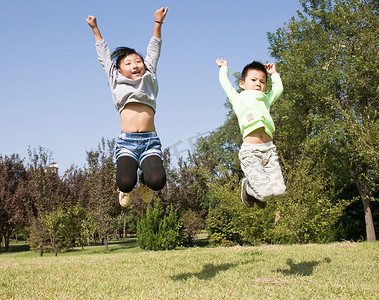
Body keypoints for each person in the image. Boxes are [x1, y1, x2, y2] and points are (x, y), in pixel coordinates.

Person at [86, 7, 168, 207]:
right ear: (119, 69)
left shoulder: (149, 78)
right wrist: (95, 29)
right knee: (124, 183)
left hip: (150, 141)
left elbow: (154, 49)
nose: (135, 65)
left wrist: (158, 23)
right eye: (128, 62)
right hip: (127, 142)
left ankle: (145, 182)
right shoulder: (116, 80)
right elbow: (104, 57)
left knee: (157, 182)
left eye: (138, 61)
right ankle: (128, 187)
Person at [216, 58, 286, 208]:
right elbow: (225, 83)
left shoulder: (265, 99)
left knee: (280, 192)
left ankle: (259, 195)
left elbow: (279, 89)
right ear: (242, 84)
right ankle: (247, 187)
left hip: (269, 150)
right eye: (253, 80)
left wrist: (274, 74)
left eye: (262, 81)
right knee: (266, 194)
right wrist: (224, 68)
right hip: (251, 151)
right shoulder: (239, 98)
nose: (258, 84)